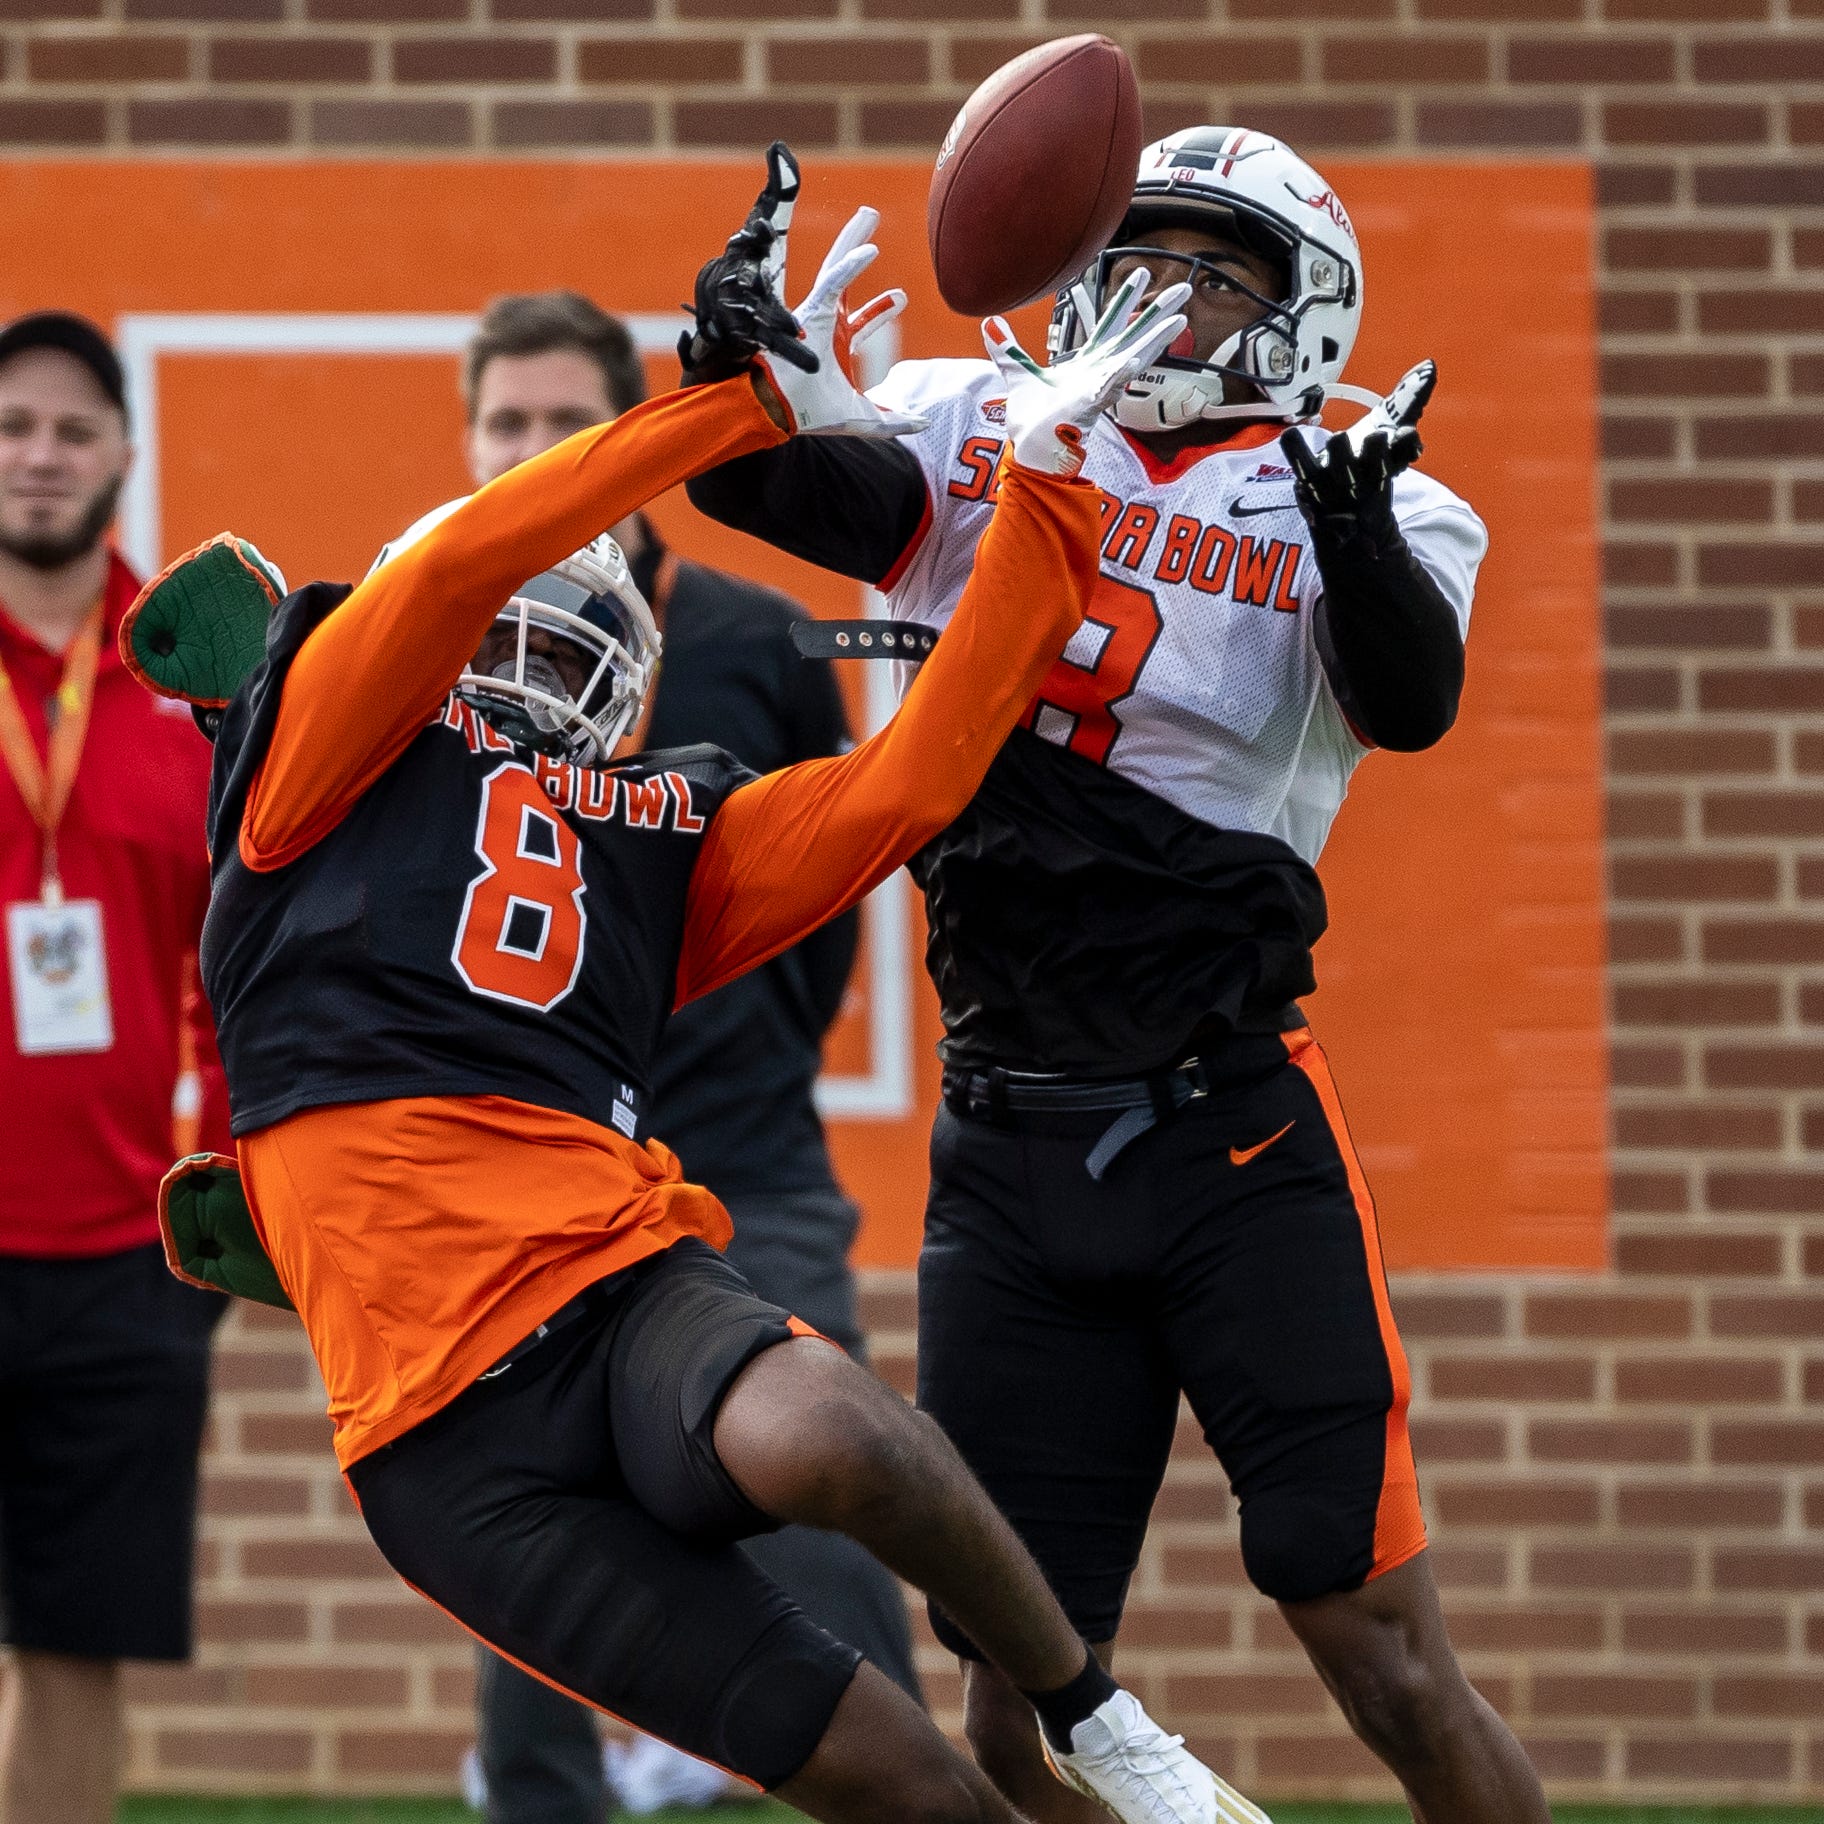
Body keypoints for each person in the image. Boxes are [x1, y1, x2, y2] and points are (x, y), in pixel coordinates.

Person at [154, 198, 1260, 1824]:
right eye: (516, 632)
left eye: (578, 642)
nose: (535, 661)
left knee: (843, 1441)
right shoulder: (320, 754)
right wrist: (741, 404)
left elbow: (908, 785)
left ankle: (1093, 1718)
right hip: (450, 1444)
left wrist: (1044, 485)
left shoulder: (647, 836)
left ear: (632, 688)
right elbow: (471, 552)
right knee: (906, 1790)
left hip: (612, 1283)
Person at [682, 131, 1552, 1824]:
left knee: (1378, 1651)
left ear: (1303, 311)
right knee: (1016, 1709)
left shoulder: (1361, 479)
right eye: (1134, 253)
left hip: (1229, 1137)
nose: (1164, 292)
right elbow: (777, 490)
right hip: (1007, 1145)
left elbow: (1411, 696)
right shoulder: (986, 421)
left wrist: (1355, 532)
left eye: (1217, 268)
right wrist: (743, 375)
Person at [457, 290, 922, 1822]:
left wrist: (723, 1053)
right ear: (468, 444)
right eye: (506, 422)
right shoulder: (435, 649)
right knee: (532, 1555)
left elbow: (825, 897)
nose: (534, 449)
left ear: (630, 443)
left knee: (828, 1506)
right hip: (529, 1179)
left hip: (744, 1160)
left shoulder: (749, 636)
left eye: (564, 421)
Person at [0, 312, 229, 1824]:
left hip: (124, 1252)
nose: (38, 457)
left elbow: (247, 955)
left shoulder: (194, 682)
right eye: (13, 426)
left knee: (76, 1648)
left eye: (74, 430)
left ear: (125, 455)